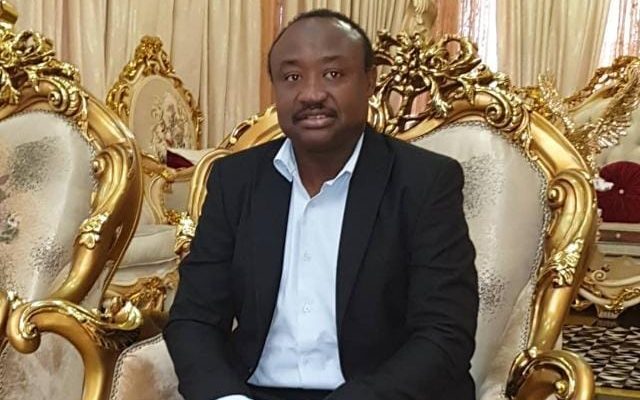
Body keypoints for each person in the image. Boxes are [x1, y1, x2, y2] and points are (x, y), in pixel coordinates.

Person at [164, 9, 478, 400]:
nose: (311, 94)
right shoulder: (236, 180)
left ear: (369, 81)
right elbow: (194, 318)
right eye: (292, 77)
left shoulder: (424, 182)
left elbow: (445, 333)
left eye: (333, 74)